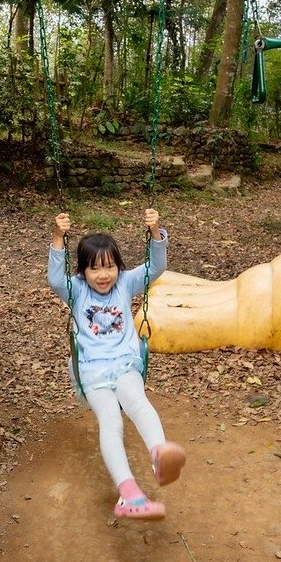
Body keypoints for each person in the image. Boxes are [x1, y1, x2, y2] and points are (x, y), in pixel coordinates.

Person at [48, 208, 186, 521]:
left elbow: (156, 266)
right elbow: (55, 278)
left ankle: (159, 455)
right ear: (82, 272)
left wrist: (155, 232)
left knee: (137, 401)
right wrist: (58, 237)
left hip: (124, 364)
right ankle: (129, 495)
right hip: (92, 373)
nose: (103, 275)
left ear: (118, 267)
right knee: (111, 420)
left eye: (109, 266)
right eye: (95, 269)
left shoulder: (125, 283)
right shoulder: (77, 291)